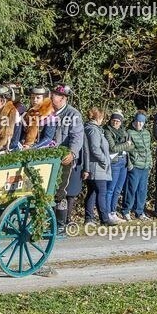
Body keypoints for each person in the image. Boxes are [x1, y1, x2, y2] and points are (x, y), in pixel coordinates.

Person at [51, 85, 84, 229]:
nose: (51, 97)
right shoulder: (48, 112)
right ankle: (47, 220)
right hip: (48, 157)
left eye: (54, 95)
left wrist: (72, 152)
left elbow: (77, 136)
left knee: (60, 191)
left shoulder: (73, 114)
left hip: (64, 158)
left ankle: (60, 223)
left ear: (63, 98)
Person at [83, 107, 115, 226]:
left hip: (93, 167)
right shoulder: (94, 130)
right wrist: (104, 160)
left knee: (92, 192)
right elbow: (95, 148)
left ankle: (89, 218)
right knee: (102, 192)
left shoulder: (90, 128)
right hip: (97, 167)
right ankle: (104, 219)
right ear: (98, 118)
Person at [102, 110, 132, 223]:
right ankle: (107, 213)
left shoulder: (124, 132)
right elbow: (113, 148)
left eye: (118, 121)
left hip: (124, 162)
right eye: (114, 120)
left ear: (121, 122)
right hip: (114, 162)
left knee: (118, 189)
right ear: (110, 120)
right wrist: (126, 145)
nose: (115, 123)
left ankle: (113, 212)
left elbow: (131, 146)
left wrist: (125, 146)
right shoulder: (107, 131)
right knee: (110, 189)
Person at [123, 112, 152, 221]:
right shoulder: (129, 133)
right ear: (134, 122)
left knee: (142, 190)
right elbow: (127, 150)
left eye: (141, 122)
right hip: (135, 166)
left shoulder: (147, 133)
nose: (139, 124)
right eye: (137, 121)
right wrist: (130, 164)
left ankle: (140, 212)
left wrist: (150, 162)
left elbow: (148, 149)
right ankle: (126, 211)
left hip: (145, 166)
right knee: (131, 189)